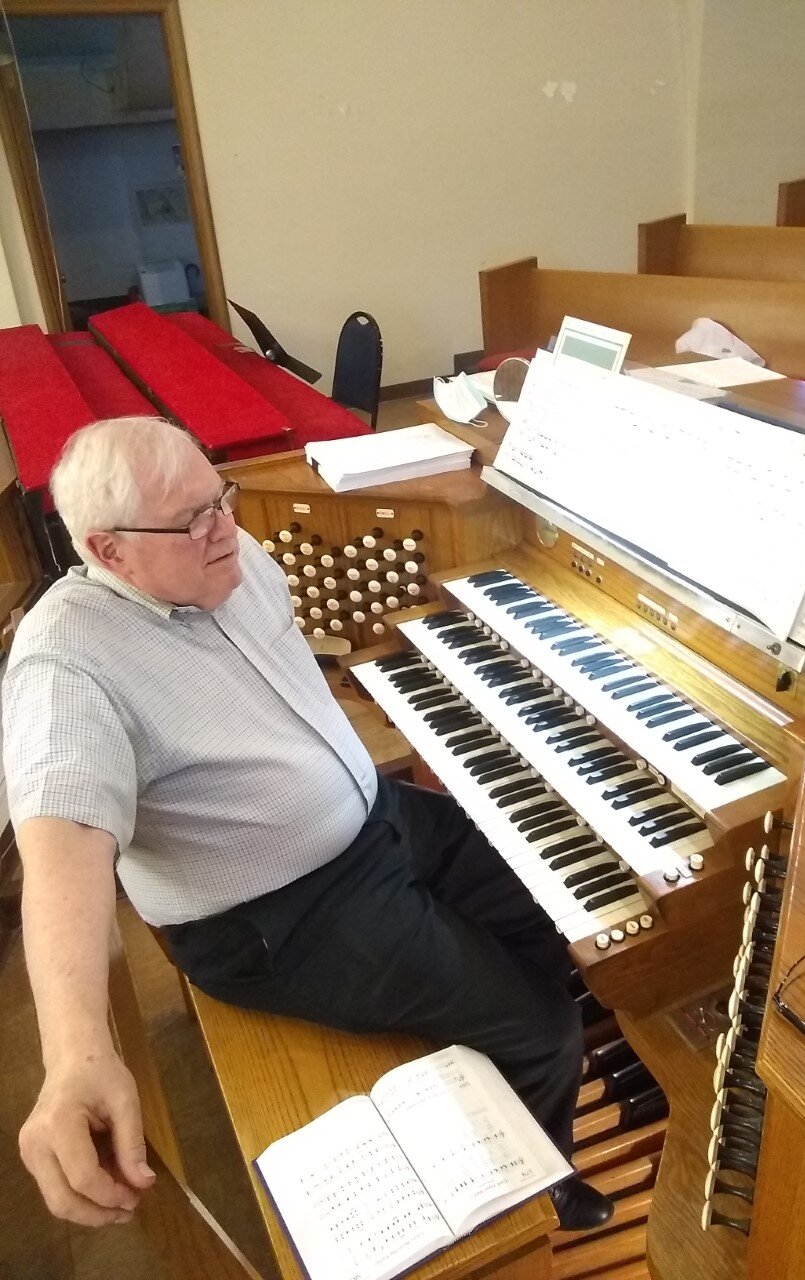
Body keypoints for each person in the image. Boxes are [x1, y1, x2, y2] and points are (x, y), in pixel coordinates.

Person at [4, 416, 614, 1233]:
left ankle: (503, 1087)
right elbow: (59, 856)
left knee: (548, 898)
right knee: (545, 1029)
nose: (224, 527)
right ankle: (543, 1202)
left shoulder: (224, 552)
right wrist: (77, 1053)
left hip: (377, 822)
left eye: (218, 497)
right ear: (108, 552)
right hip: (281, 916)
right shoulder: (66, 663)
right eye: (190, 521)